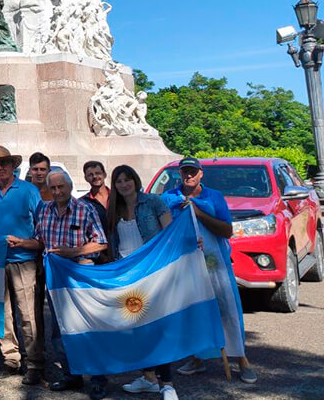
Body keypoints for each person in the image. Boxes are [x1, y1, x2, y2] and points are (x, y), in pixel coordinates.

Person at [13, 171, 107, 399]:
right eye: (53, 188)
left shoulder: (85, 209)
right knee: (61, 330)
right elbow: (40, 241)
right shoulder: (44, 210)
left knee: (88, 328)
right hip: (55, 281)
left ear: (70, 186)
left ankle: (97, 379)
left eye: (61, 187)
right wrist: (22, 243)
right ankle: (71, 375)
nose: (57, 192)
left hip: (81, 278)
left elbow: (101, 243)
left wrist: (73, 252)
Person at [162, 158, 256, 384]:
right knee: (192, 309)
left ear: (201, 174)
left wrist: (198, 212)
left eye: (192, 172)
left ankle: (241, 359)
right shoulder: (170, 198)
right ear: (179, 174)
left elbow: (226, 230)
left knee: (226, 308)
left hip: (214, 261)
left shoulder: (214, 197)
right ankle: (197, 357)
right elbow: (165, 230)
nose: (188, 176)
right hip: (184, 262)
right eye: (185, 172)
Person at [103, 166, 178, 400]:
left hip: (151, 272)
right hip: (126, 274)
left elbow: (170, 233)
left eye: (127, 180)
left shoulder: (153, 202)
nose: (124, 184)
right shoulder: (114, 209)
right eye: (119, 181)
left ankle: (168, 384)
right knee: (136, 329)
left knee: (155, 328)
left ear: (135, 180)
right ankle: (149, 378)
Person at [0, 146, 45, 385]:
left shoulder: (28, 191)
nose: (0, 168)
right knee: (3, 316)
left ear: (12, 165)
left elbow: (42, 226)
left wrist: (27, 244)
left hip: (23, 261)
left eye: (4, 163)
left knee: (28, 316)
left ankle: (35, 363)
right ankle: (11, 360)